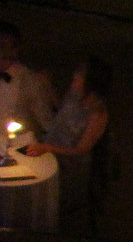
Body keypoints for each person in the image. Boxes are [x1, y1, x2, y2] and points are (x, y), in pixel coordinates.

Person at [21, 55, 110, 207]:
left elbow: (81, 150)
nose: (74, 76)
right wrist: (47, 86)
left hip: (68, 163)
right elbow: (61, 109)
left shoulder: (98, 113)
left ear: (91, 82)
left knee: (27, 177)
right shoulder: (75, 95)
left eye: (80, 75)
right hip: (49, 144)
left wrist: (47, 148)